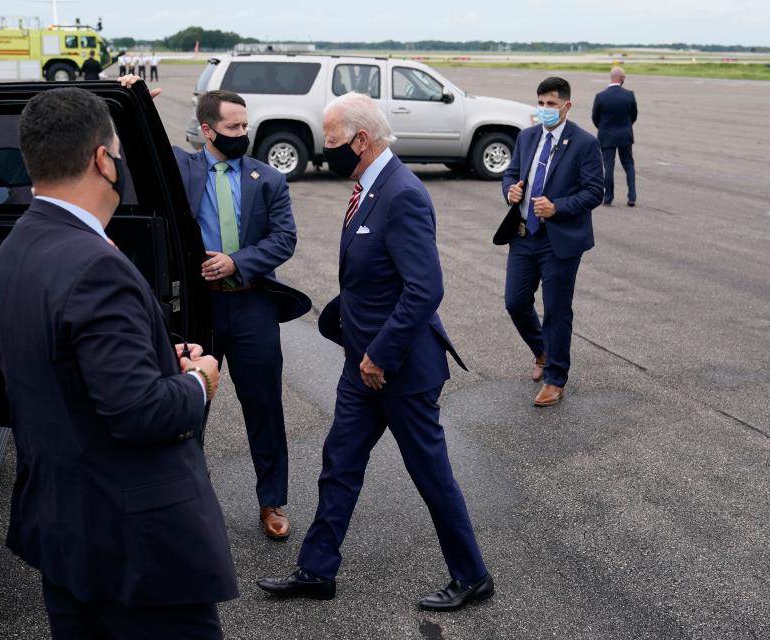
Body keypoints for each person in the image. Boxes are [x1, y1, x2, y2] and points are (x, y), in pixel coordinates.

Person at [0, 87, 238, 639]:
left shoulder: (18, 246)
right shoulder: (95, 265)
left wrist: (152, 356)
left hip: (65, 533)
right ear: (103, 159)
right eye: (119, 151)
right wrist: (199, 380)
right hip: (136, 552)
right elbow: (140, 412)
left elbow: (63, 364)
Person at [256, 92, 493, 612]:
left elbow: (424, 289)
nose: (326, 150)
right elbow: (373, 276)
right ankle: (317, 570)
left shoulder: (402, 193)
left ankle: (472, 576)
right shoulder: (368, 187)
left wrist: (380, 354)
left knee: (432, 477)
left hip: (400, 369)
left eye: (333, 141)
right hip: (360, 367)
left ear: (361, 141)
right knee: (339, 464)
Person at [119, 79, 310, 540]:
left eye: (245, 124)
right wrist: (131, 107)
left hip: (251, 308)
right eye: (233, 125)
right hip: (197, 313)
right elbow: (131, 162)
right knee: (189, 410)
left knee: (264, 408)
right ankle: (186, 502)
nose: (242, 132)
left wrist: (237, 262)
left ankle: (272, 501)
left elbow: (284, 239)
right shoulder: (182, 168)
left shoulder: (267, 179)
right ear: (207, 130)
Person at [494, 77, 604, 407]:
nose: (545, 110)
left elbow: (594, 191)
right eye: (540, 104)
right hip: (524, 236)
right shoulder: (527, 137)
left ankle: (556, 378)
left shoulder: (584, 143)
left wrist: (558, 207)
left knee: (556, 310)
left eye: (551, 105)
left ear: (566, 106)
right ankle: (542, 350)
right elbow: (511, 174)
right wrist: (510, 190)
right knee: (515, 301)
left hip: (560, 241)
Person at [592, 66, 638, 206]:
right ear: (622, 78)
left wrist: (604, 128)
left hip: (607, 136)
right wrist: (626, 126)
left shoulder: (601, 96)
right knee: (628, 165)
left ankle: (608, 197)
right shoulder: (629, 94)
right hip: (625, 135)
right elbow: (634, 115)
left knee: (608, 167)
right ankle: (632, 197)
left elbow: (595, 117)